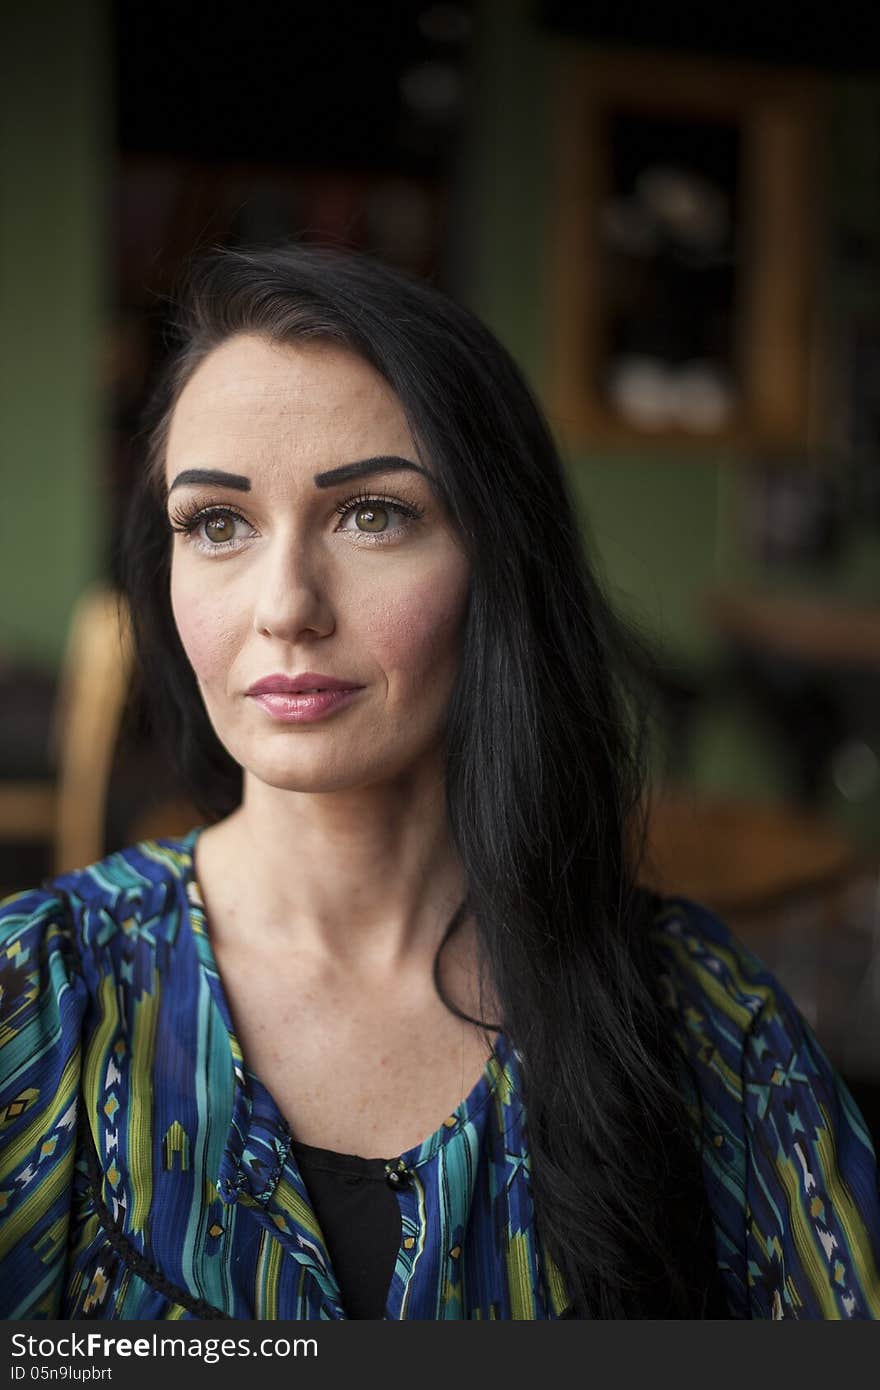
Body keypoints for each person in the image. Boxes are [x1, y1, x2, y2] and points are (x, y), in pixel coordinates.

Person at [0, 245, 878, 1322]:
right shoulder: (35, 999)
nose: (286, 606)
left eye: (373, 513)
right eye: (217, 523)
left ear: (498, 562)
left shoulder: (705, 1026)